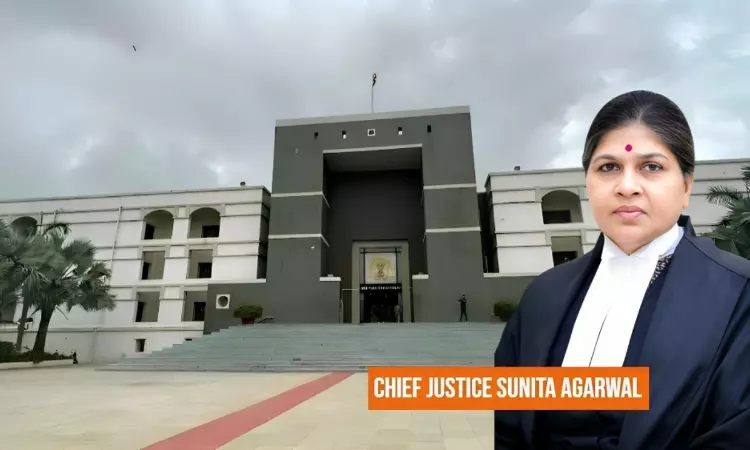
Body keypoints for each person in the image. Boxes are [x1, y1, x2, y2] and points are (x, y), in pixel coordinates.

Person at [494, 90, 750, 449]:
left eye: (651, 167)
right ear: (588, 182)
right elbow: (507, 422)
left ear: (686, 186)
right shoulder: (544, 294)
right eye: (608, 167)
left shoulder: (738, 295)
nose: (627, 187)